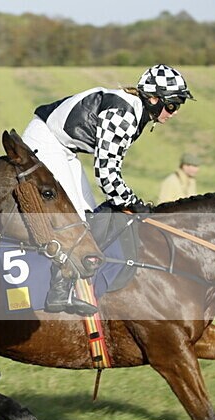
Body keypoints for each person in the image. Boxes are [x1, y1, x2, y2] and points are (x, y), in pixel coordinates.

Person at [21, 64, 193, 316]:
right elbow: (107, 175)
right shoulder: (124, 114)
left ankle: (69, 285)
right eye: (172, 105)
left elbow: (109, 174)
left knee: (90, 215)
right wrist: (133, 202)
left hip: (64, 147)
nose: (174, 112)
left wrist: (130, 202)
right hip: (46, 140)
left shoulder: (134, 111)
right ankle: (57, 290)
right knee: (77, 219)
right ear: (153, 99)